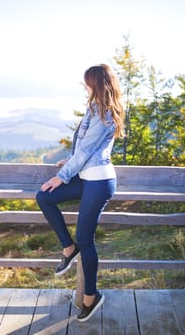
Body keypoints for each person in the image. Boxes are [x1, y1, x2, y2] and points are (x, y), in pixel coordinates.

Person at [36, 64, 124, 322]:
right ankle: (68, 248)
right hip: (86, 178)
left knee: (86, 239)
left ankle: (91, 296)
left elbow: (88, 151)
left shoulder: (105, 113)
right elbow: (84, 148)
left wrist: (61, 176)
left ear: (96, 84)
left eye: (87, 82)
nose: (84, 86)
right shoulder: (95, 108)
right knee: (45, 197)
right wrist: (69, 160)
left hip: (99, 182)